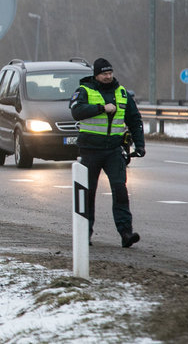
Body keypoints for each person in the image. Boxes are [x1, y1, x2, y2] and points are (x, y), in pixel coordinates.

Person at [69, 57, 145, 248]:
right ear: (96, 74)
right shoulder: (84, 91)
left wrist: (140, 145)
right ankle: (84, 234)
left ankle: (126, 233)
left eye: (110, 73)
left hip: (113, 151)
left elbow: (135, 120)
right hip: (90, 151)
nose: (108, 76)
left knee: (120, 191)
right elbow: (76, 111)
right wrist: (101, 108)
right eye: (104, 73)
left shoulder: (122, 93)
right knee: (88, 194)